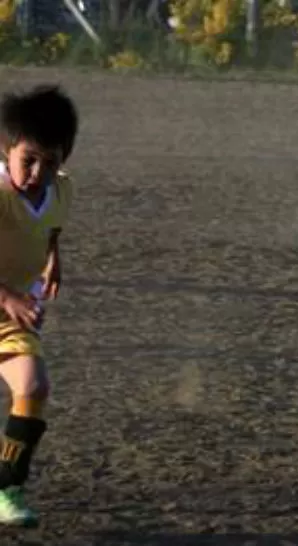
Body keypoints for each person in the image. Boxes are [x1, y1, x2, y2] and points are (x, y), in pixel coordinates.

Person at [0, 85, 78, 526]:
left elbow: (52, 226)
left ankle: (7, 485)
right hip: (7, 301)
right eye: (28, 159)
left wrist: (53, 260)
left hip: (11, 313)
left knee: (33, 386)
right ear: (7, 150)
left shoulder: (62, 192)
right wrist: (8, 295)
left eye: (50, 162)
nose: (37, 172)